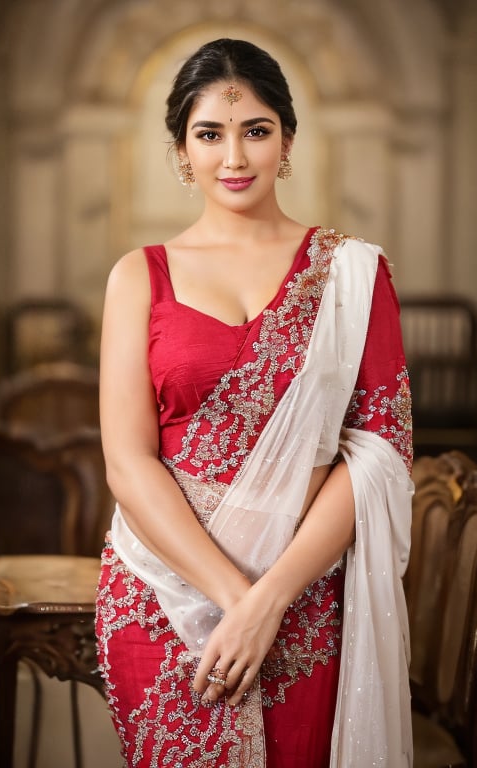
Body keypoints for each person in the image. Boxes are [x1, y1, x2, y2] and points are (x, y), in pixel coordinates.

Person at [95, 38, 414, 768]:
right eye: (210, 134)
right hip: (160, 592)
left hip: (303, 599)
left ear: (287, 140)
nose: (234, 157)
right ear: (182, 150)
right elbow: (127, 460)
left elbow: (379, 455)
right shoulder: (138, 277)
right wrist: (235, 599)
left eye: (256, 130)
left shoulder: (352, 273)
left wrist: (269, 602)